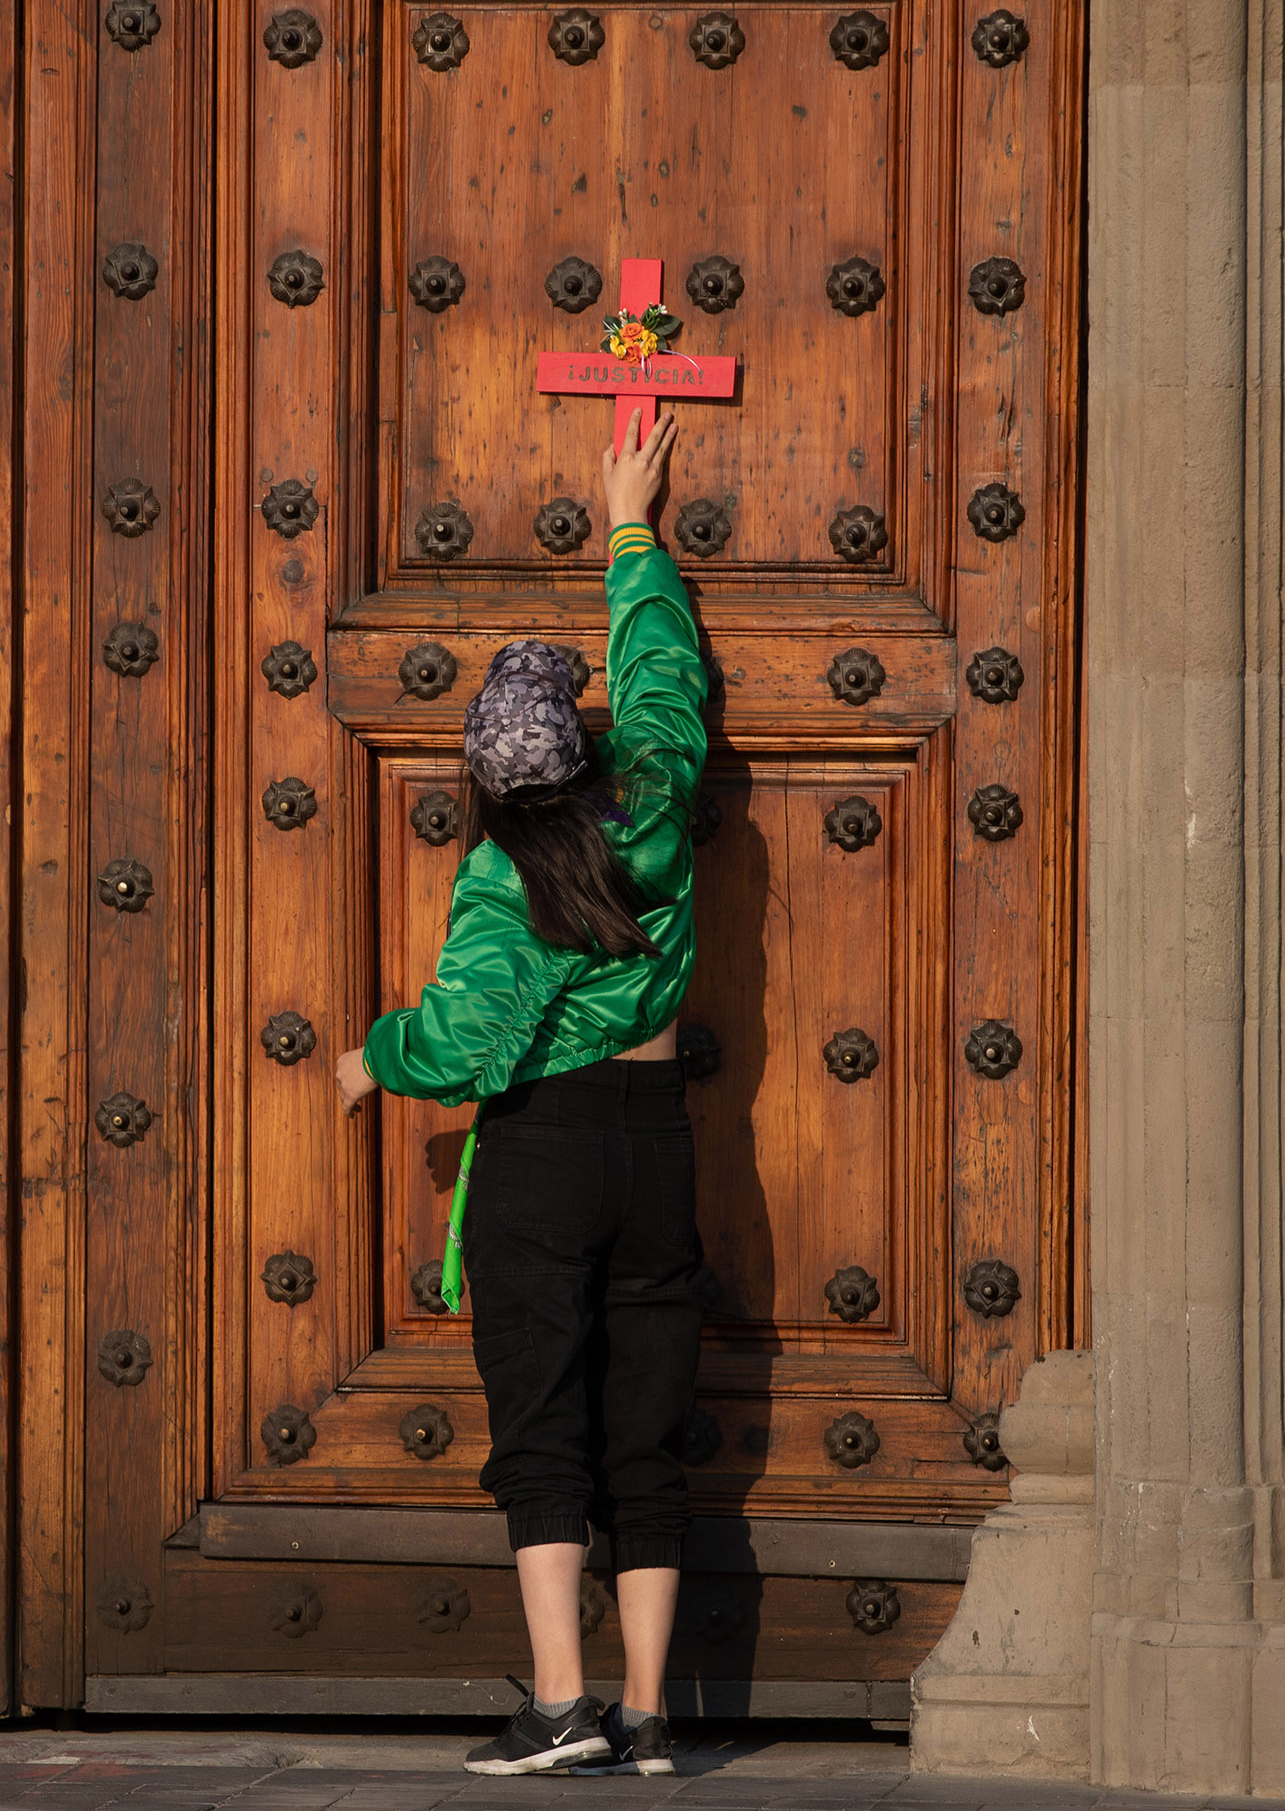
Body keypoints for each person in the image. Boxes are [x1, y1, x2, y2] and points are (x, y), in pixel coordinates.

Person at [338, 409, 710, 1779]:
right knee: (647, 1435)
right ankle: (652, 1711)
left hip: (547, 1156)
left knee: (544, 1424)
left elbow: (462, 1041)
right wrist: (630, 528)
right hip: (656, 1142)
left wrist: (368, 1056)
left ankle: (560, 1705)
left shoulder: (502, 883)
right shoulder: (656, 792)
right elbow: (665, 675)